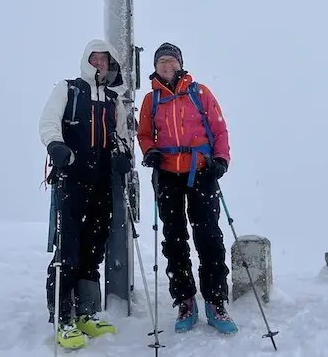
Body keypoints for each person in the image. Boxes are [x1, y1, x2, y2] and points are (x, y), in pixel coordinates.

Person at [136, 42, 238, 335]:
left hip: (202, 171)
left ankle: (216, 301)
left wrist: (221, 159)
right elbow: (144, 133)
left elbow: (219, 128)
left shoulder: (200, 92)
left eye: (171, 61)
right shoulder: (151, 99)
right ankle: (185, 300)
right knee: (174, 239)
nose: (167, 66)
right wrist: (150, 151)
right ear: (155, 67)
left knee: (209, 236)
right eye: (162, 62)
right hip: (168, 174)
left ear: (180, 64)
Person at [38, 38, 134, 350]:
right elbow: (49, 122)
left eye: (104, 60)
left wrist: (122, 154)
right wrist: (56, 145)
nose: (99, 64)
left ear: (111, 65)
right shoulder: (68, 89)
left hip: (102, 179)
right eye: (94, 59)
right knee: (70, 245)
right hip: (72, 177)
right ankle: (63, 314)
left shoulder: (112, 100)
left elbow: (119, 134)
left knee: (95, 243)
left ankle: (88, 311)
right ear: (85, 61)